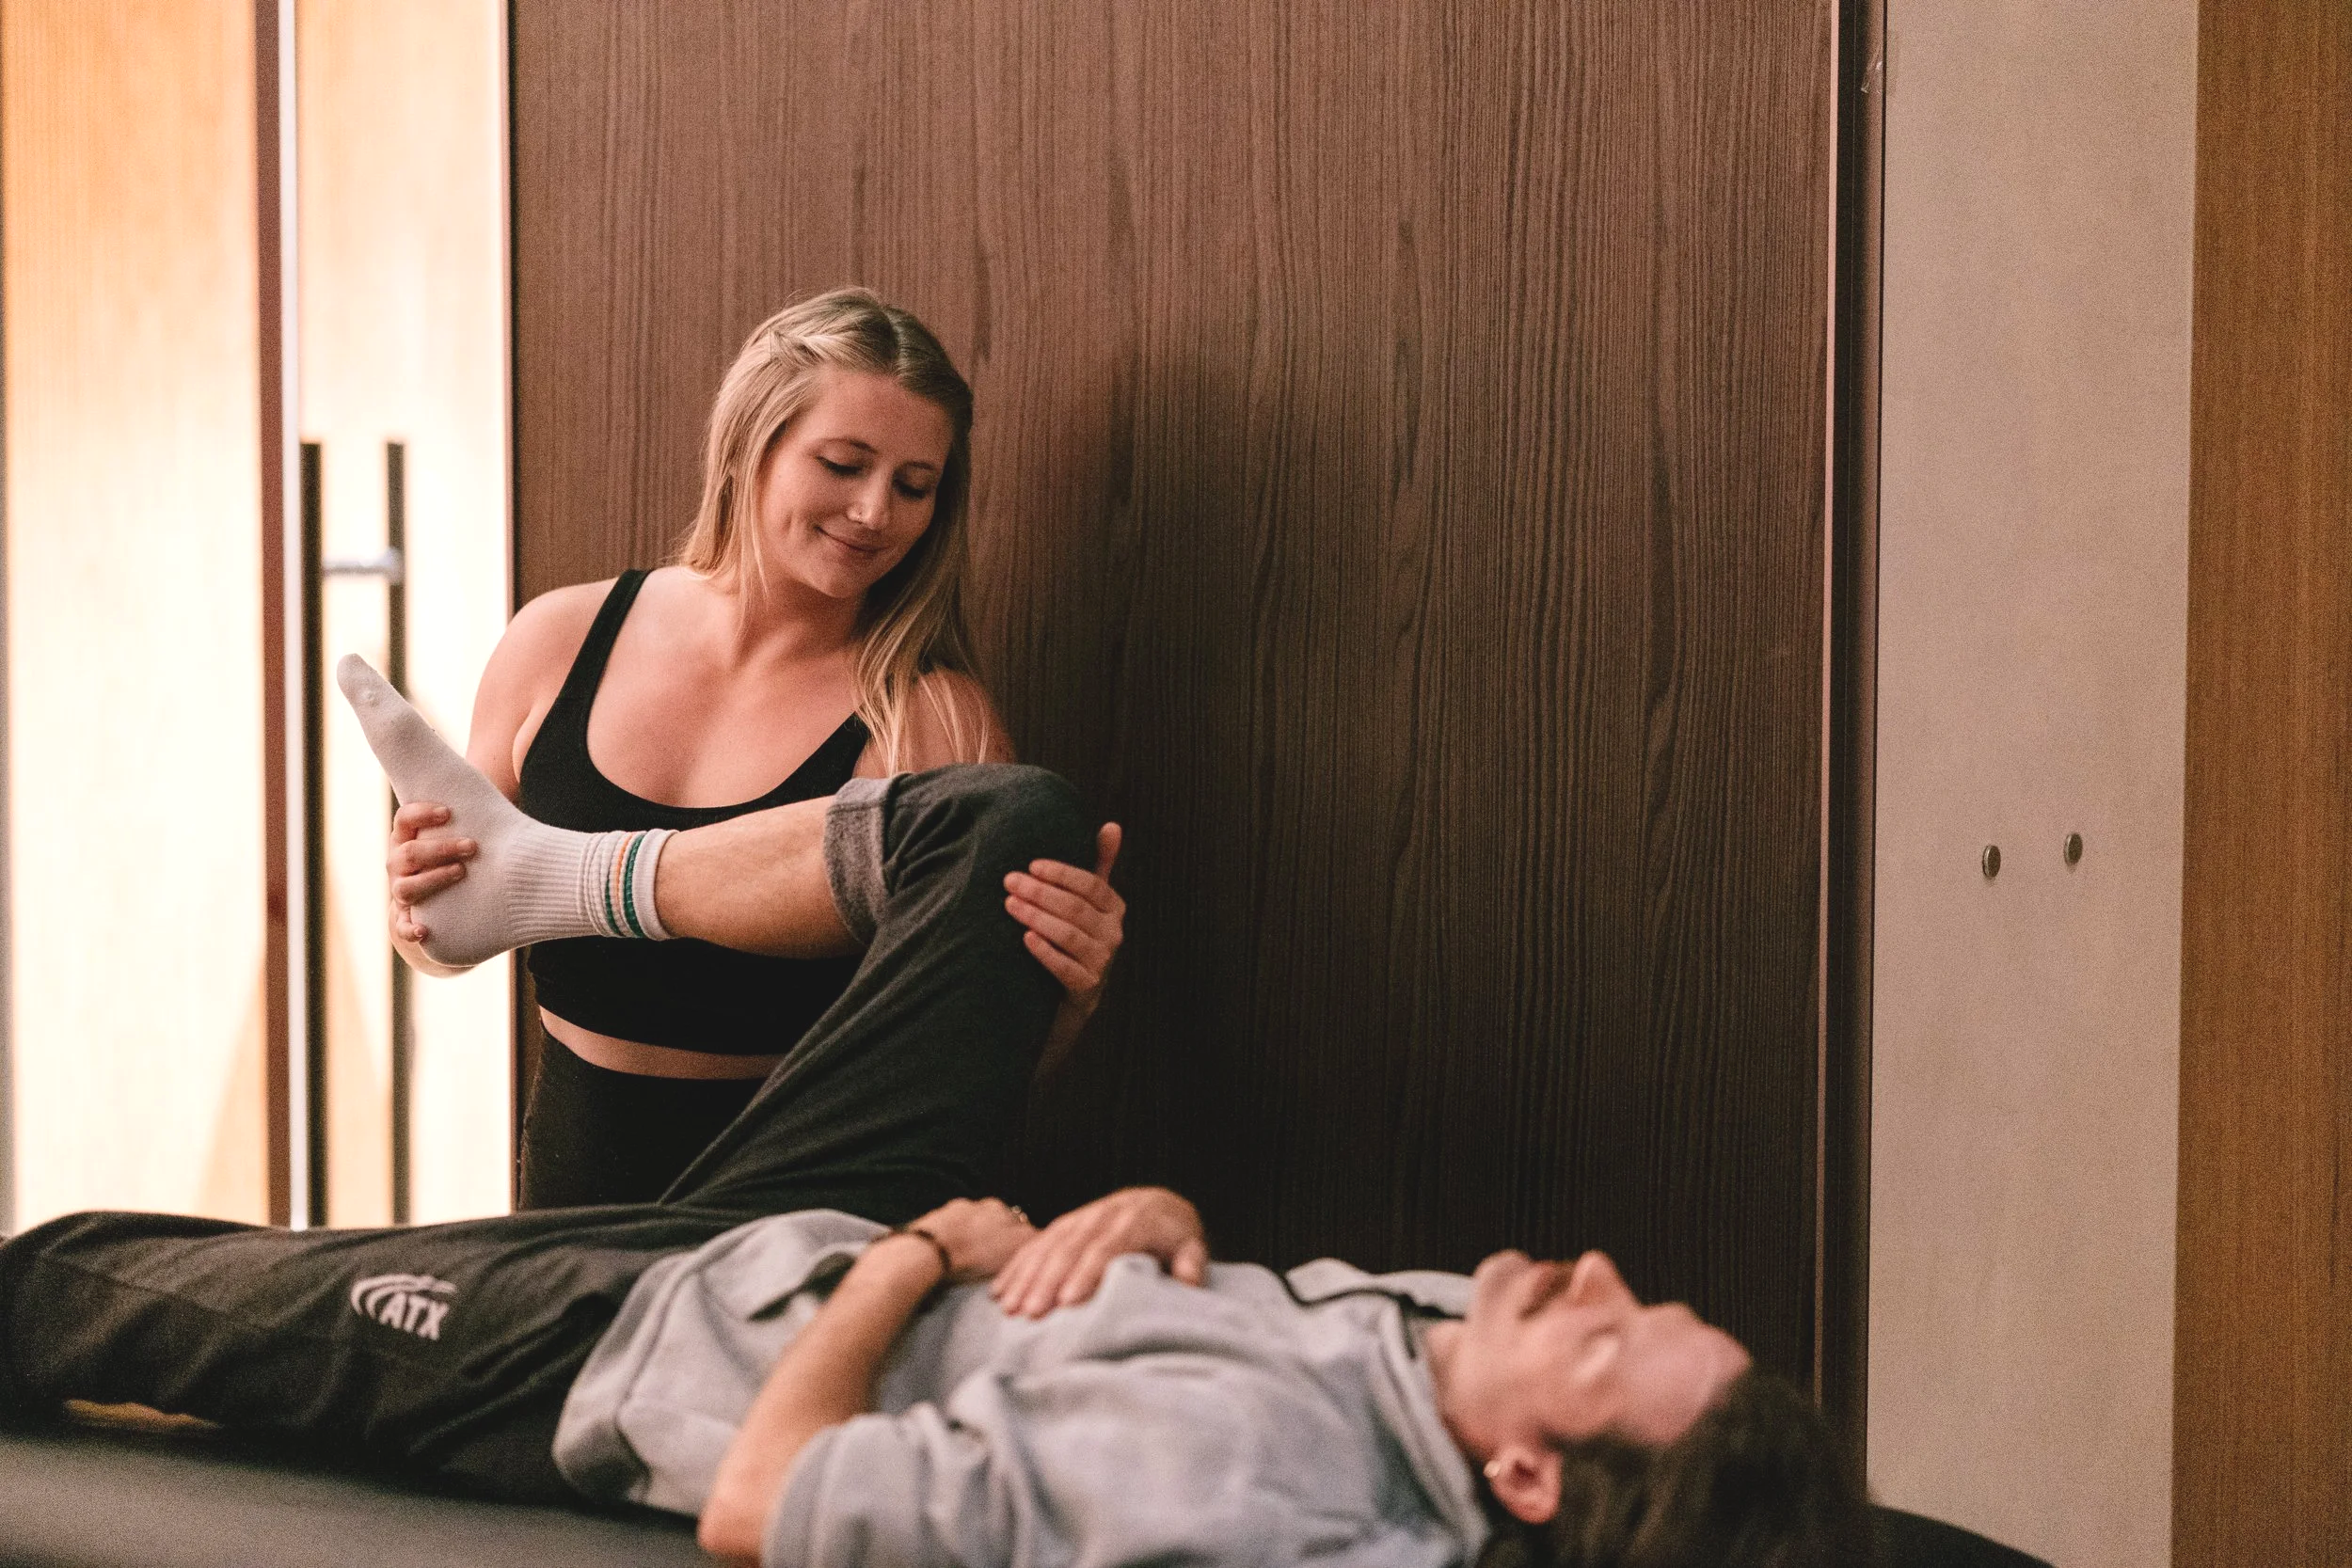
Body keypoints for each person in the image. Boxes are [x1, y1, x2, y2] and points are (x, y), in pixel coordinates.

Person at [0, 712, 1867, 1568]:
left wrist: (914, 1257)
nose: (1591, 1272)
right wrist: (1158, 1212)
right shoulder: (1453, 1349)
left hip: (654, 1341)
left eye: (1609, 1334)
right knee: (1018, 820)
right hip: (812, 1229)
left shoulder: (1240, 1479)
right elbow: (1265, 1305)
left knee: (118, 1284)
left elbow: (765, 1509)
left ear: (1532, 1479)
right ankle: (542, 877)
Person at [388, 286, 1127, 1208]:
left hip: (792, 1203)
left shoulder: (932, 721)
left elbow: (972, 1068)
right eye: (843, 463)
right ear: (749, 443)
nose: (873, 511)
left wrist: (1068, 996)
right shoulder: (558, 638)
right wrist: (421, 914)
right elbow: (446, 935)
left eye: (914, 485)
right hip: (564, 1188)